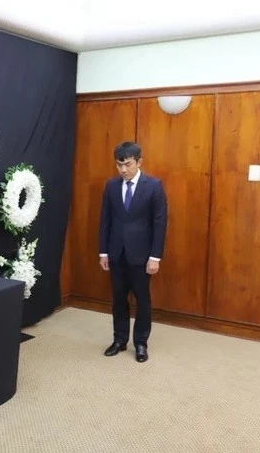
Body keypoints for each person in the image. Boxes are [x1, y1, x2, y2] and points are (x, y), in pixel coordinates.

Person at [98, 141, 168, 363]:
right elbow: (105, 221)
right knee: (118, 299)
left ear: (139, 162)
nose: (123, 170)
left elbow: (160, 223)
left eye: (127, 164)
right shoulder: (110, 186)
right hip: (116, 254)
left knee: (142, 300)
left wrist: (155, 257)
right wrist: (103, 252)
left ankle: (140, 343)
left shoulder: (154, 186)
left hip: (142, 255)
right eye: (119, 165)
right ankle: (119, 340)